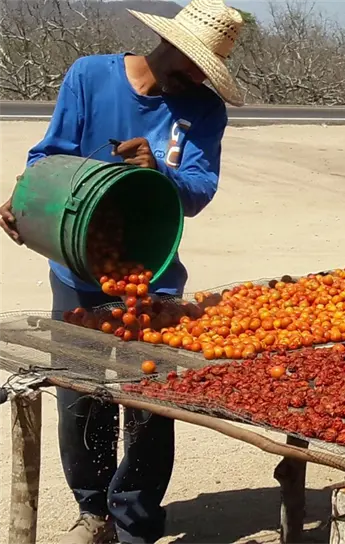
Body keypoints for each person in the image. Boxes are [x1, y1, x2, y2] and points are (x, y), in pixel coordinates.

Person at [0, 1, 245, 542]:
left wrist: (159, 169)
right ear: (168, 44)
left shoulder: (203, 109)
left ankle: (136, 519)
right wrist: (27, 201)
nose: (195, 76)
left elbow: (199, 190)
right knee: (80, 395)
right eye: (190, 64)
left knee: (152, 402)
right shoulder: (91, 76)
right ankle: (94, 510)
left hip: (151, 273)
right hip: (76, 261)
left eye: (205, 69)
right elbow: (49, 155)